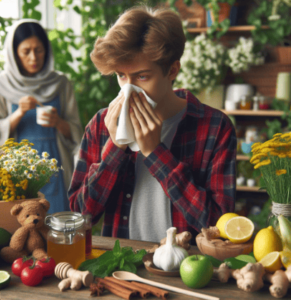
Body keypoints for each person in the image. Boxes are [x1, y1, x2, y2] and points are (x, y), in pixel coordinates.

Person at [68, 6, 236, 243]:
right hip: (122, 269)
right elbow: (80, 217)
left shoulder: (215, 128)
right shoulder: (101, 125)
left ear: (172, 70)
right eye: (121, 76)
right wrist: (115, 148)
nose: (128, 89)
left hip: (186, 272)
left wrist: (156, 153)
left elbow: (219, 226)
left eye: (142, 76)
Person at [0, 19, 83, 214]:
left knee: (59, 225)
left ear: (47, 50)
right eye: (26, 51)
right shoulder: (0, 85)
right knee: (23, 228)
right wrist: (19, 113)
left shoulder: (60, 83)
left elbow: (77, 131)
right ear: (14, 52)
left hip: (56, 169)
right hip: (16, 172)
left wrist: (58, 122)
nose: (34, 57)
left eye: (39, 50)